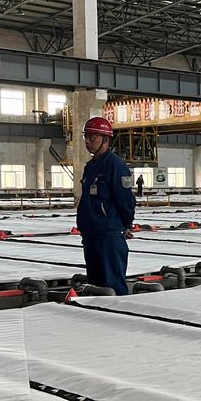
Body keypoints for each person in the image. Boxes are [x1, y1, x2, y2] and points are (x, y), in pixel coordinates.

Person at [76, 117, 136, 296]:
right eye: (86, 137)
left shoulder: (116, 166)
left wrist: (124, 226)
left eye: (92, 137)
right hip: (91, 235)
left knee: (113, 287)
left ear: (105, 139)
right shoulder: (90, 167)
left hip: (108, 236)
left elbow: (126, 201)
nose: (87, 141)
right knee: (96, 287)